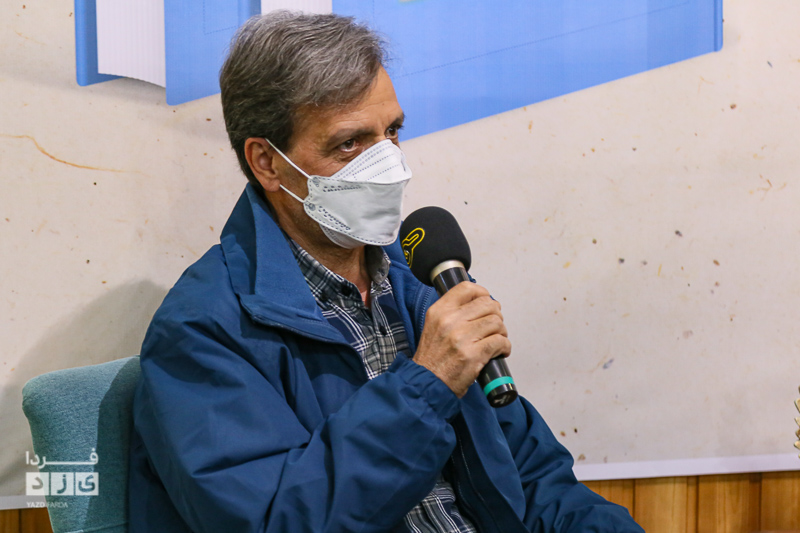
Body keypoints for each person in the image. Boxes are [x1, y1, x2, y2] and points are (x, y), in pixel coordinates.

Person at [128, 10, 644, 533]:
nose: (388, 166)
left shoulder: (422, 280)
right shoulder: (201, 330)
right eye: (349, 143)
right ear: (267, 162)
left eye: (392, 131)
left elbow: (536, 480)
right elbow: (278, 520)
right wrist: (429, 381)